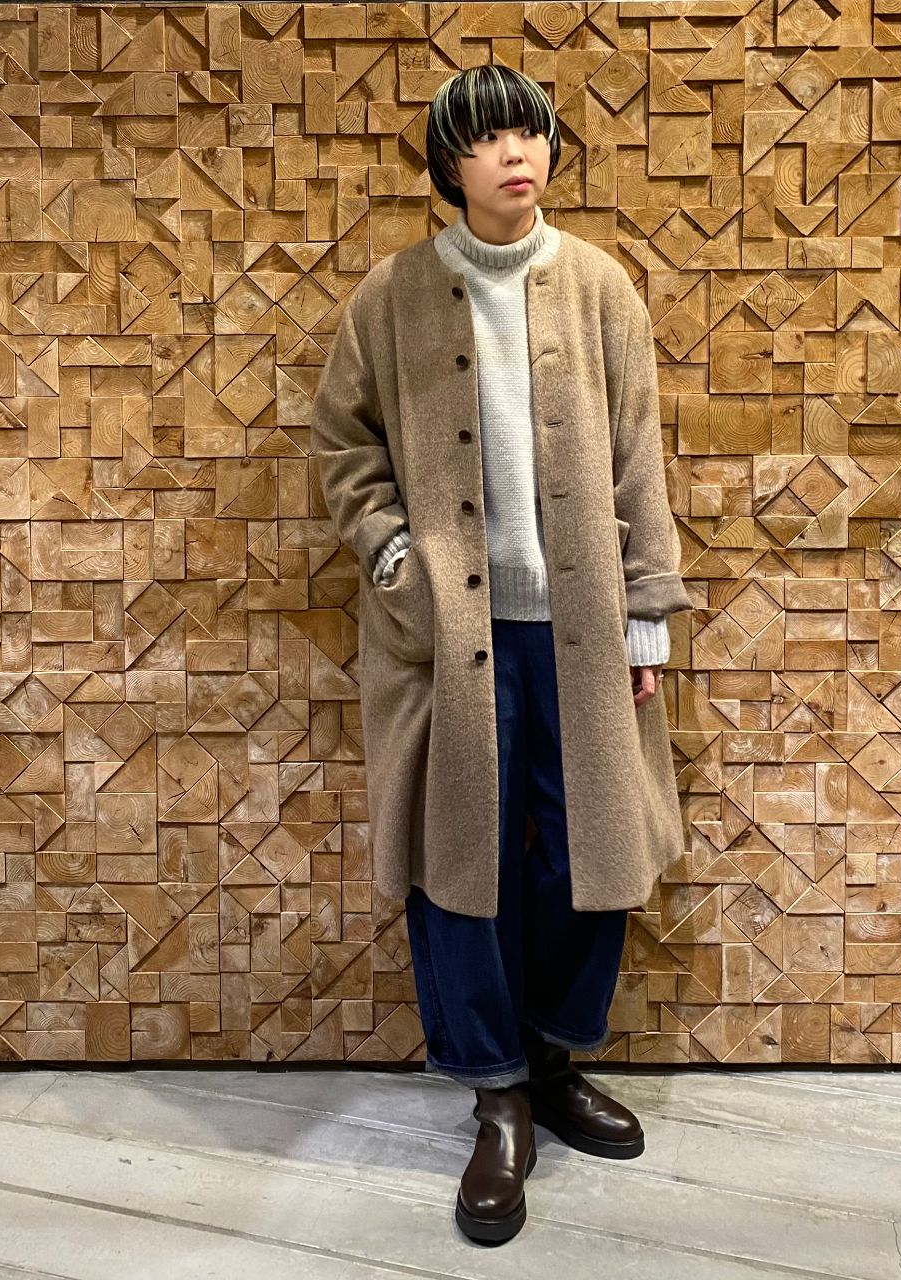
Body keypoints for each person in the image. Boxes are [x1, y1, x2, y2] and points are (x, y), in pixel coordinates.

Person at [311, 64, 693, 1245]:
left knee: (589, 848)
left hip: (577, 627)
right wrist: (395, 559)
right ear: (450, 166)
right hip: (446, 637)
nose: (513, 153)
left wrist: (645, 612)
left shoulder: (600, 286)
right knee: (458, 857)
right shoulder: (389, 296)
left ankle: (553, 1056)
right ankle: (495, 1092)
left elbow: (637, 453)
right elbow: (342, 445)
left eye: (528, 132)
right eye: (485, 139)